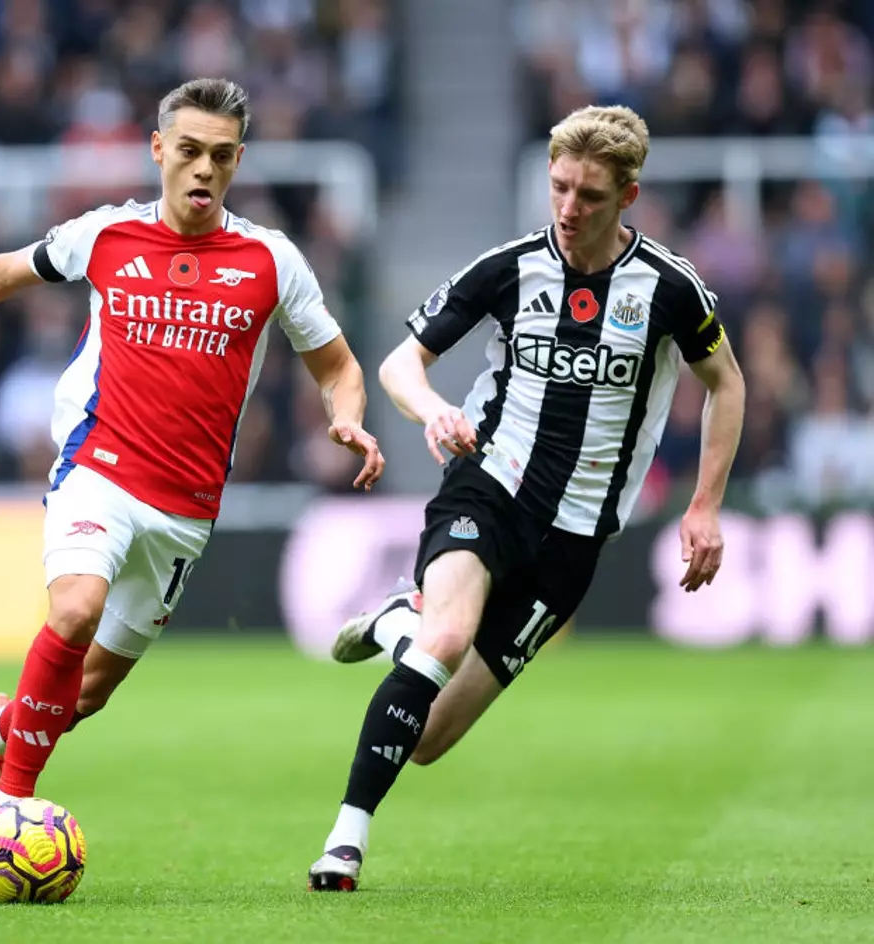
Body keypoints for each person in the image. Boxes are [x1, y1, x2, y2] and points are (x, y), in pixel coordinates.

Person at [0, 77, 386, 876]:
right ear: (158, 150)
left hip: (185, 509)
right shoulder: (106, 234)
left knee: (82, 696)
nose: (203, 169)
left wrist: (346, 416)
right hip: (100, 467)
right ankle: (11, 812)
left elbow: (338, 365)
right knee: (75, 607)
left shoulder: (270, 260)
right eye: (189, 151)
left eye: (222, 156)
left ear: (238, 162)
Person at [306, 105, 747, 891]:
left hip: (573, 541)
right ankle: (345, 841)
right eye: (559, 188)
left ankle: (395, 622)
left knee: (429, 738)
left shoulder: (670, 288)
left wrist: (704, 504)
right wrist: (433, 410)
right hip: (490, 486)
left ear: (629, 196)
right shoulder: (511, 268)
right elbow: (401, 364)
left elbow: (728, 383)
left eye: (590, 195)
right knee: (447, 637)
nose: (569, 209)